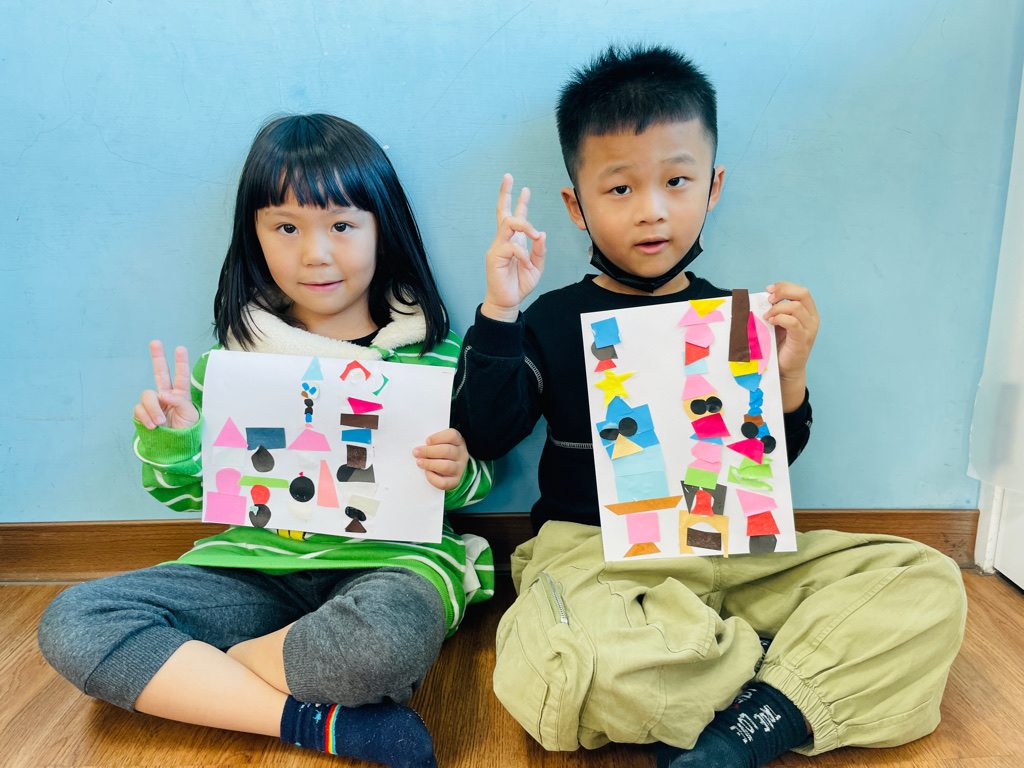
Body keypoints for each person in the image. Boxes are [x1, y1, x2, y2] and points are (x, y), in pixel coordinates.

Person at [453, 45, 966, 768]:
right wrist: (500, 311)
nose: (653, 210)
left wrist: (790, 374)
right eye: (620, 189)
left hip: (735, 555)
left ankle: (743, 712)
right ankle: (777, 676)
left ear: (713, 186)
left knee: (929, 580)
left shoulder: (734, 317)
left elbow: (768, 465)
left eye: (677, 180)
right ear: (576, 207)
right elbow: (482, 432)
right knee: (563, 667)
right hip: (598, 560)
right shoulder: (551, 318)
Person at [38, 114, 494, 768]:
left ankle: (206, 674)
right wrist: (173, 443)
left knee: (379, 646)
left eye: (342, 226)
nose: (315, 254)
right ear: (254, 236)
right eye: (286, 228)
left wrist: (459, 469)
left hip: (392, 567)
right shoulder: (230, 366)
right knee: (74, 621)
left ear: (382, 228)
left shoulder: (435, 354)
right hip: (251, 567)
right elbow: (186, 495)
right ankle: (313, 721)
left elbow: (481, 481)